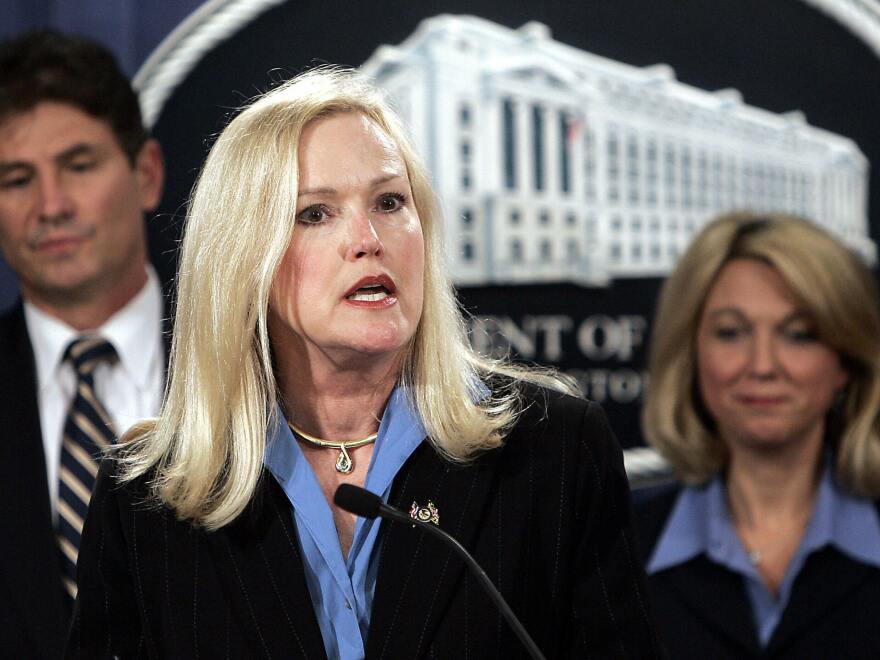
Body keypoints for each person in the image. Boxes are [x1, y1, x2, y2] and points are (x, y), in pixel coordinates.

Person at [67, 67, 661, 659]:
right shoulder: (145, 500)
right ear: (243, 259)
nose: (369, 238)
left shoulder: (555, 450)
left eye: (389, 201)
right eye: (315, 213)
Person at [636, 212, 880, 659]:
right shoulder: (614, 542)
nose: (763, 365)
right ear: (691, 353)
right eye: (732, 332)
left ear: (845, 361)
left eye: (799, 334)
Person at [0, 30, 166, 658]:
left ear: (145, 174)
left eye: (78, 166)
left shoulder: (265, 365)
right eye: (16, 179)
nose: (51, 205)